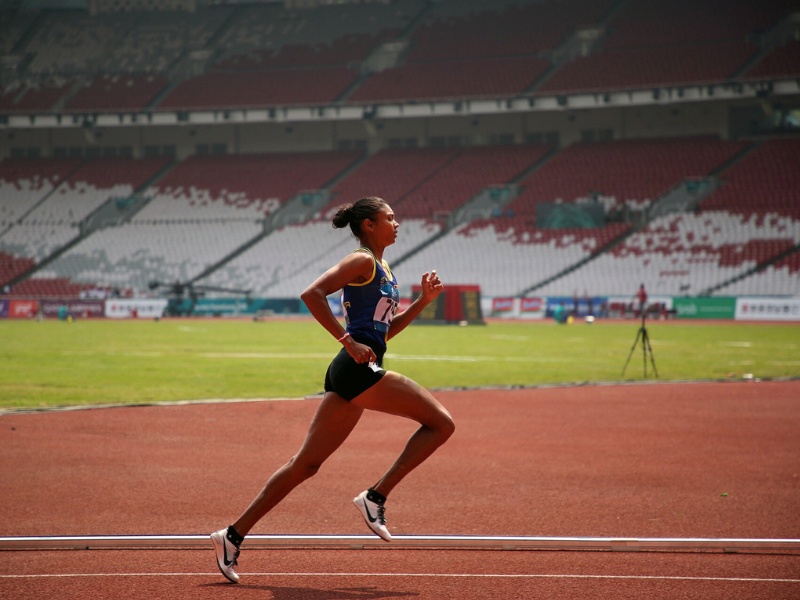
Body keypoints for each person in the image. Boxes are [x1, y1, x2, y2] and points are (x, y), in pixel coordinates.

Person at [210, 196, 455, 584]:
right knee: (441, 424)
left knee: (305, 465)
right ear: (369, 225)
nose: (397, 223)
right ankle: (375, 497)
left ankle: (232, 535)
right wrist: (347, 341)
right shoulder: (361, 261)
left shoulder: (384, 268)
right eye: (389, 218)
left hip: (352, 369)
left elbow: (384, 332)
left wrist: (424, 302)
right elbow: (312, 293)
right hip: (356, 367)